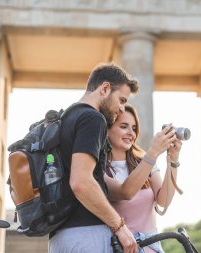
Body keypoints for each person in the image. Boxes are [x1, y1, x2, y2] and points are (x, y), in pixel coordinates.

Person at [49, 63, 140, 253]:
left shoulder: (67, 117)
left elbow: (89, 178)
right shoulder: (93, 119)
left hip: (60, 239)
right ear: (105, 88)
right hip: (87, 236)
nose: (122, 109)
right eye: (121, 100)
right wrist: (120, 227)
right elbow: (81, 182)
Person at [104, 104, 183, 253]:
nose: (130, 133)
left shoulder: (144, 162)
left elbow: (163, 200)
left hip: (153, 247)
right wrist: (152, 153)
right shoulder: (101, 169)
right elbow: (125, 193)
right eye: (124, 126)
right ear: (107, 129)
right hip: (122, 248)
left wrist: (173, 160)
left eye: (134, 128)